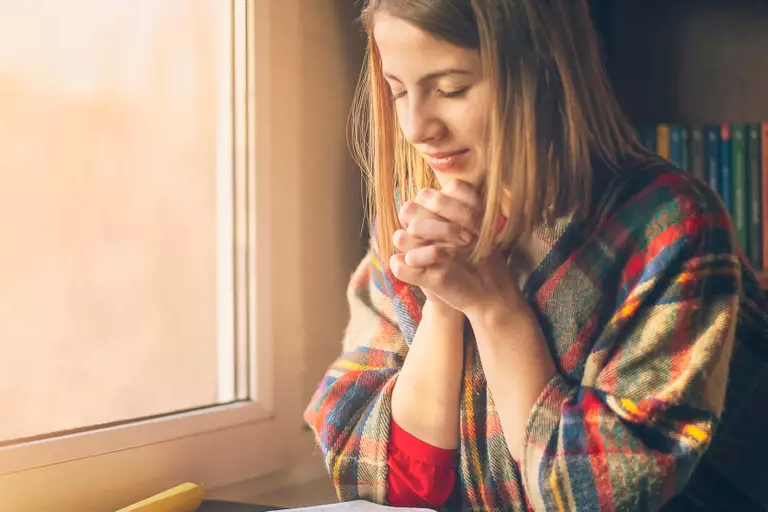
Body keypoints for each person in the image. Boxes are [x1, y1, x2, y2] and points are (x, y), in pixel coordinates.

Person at [303, 1, 768, 511]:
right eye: (397, 90)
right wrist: (444, 300)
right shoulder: (410, 216)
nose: (416, 127)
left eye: (451, 89)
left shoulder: (671, 227)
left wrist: (494, 307)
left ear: (543, 72)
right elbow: (388, 489)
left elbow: (600, 496)